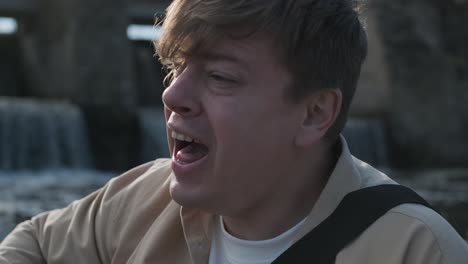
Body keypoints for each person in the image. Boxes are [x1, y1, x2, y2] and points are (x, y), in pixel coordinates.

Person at [1, 0, 468, 263]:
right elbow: (32, 243)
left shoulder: (419, 251)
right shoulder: (140, 200)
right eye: (176, 67)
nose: (172, 95)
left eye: (220, 77)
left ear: (314, 113)